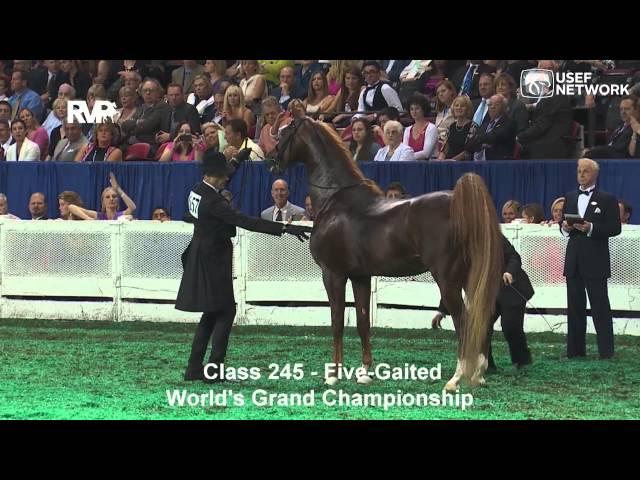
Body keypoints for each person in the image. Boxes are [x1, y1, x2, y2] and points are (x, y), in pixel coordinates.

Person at [176, 151, 313, 382]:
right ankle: (214, 370)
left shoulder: (196, 191)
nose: (226, 179)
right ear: (215, 175)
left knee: (210, 313)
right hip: (214, 258)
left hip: (200, 252)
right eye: (223, 176)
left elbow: (192, 215)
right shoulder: (215, 202)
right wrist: (283, 228)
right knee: (226, 310)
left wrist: (237, 160)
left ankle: (194, 367)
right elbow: (246, 222)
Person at [432, 235, 534, 370]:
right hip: (486, 297)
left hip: (511, 289)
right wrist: (441, 310)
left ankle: (522, 361)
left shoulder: (491, 237)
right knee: (480, 328)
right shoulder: (458, 253)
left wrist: (509, 272)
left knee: (510, 326)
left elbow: (514, 257)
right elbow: (452, 285)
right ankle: (486, 363)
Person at [561, 158, 621, 359]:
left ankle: (606, 351)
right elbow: (563, 223)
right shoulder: (569, 196)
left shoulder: (607, 199)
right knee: (575, 306)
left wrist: (591, 228)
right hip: (574, 259)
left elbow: (615, 228)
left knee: (600, 306)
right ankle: (575, 351)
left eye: (586, 171)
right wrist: (565, 227)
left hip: (595, 260)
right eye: (579, 170)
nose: (581, 174)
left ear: (595, 174)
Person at [69, 173, 136, 220]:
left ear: (118, 200)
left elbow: (132, 207)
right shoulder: (98, 216)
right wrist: (88, 218)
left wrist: (118, 189)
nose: (111, 199)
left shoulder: (122, 215)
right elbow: (71, 207)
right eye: (107, 197)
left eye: (114, 196)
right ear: (103, 202)